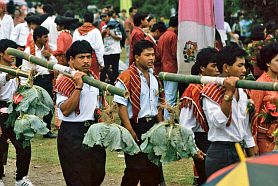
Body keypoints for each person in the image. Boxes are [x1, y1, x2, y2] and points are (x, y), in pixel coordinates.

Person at [55, 40, 106, 186]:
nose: (86, 61)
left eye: (89, 57)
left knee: (97, 174)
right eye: (81, 57)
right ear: (71, 60)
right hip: (72, 134)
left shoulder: (94, 78)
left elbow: (99, 105)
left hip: (93, 131)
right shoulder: (64, 80)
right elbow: (65, 110)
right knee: (78, 179)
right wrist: (78, 87)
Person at [114, 40, 163, 185]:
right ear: (136, 57)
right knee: (134, 168)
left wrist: (160, 126)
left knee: (153, 169)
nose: (151, 58)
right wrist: (129, 129)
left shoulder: (154, 77)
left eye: (153, 55)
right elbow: (121, 105)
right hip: (135, 126)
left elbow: (158, 103)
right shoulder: (126, 77)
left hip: (152, 126)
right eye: (147, 55)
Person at [201, 45, 256, 178]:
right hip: (220, 152)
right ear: (226, 67)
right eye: (240, 65)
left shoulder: (243, 91)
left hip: (239, 150)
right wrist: (229, 92)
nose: (244, 70)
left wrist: (252, 153)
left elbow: (244, 126)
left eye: (244, 65)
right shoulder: (210, 91)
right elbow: (219, 122)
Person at [179, 47, 219, 185]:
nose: (217, 69)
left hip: (217, 140)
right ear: (202, 68)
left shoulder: (217, 87)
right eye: (213, 66)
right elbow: (185, 126)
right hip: (203, 141)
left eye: (218, 65)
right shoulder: (193, 90)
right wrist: (194, 149)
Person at [0, 39, 33, 186]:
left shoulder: (18, 69)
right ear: (1, 53)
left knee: (24, 144)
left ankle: (21, 179)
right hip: (0, 111)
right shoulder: (5, 71)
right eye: (10, 52)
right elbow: (4, 78)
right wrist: (8, 75)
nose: (13, 55)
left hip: (15, 111)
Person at [22, 26, 58, 138]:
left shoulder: (47, 49)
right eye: (45, 36)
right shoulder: (29, 51)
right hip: (35, 80)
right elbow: (26, 68)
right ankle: (32, 129)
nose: (47, 39)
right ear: (38, 38)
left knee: (49, 105)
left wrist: (49, 56)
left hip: (47, 79)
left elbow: (55, 63)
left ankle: (46, 130)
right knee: (34, 106)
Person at [250, 42, 278, 154]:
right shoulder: (260, 84)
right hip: (265, 139)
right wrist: (253, 143)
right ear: (268, 63)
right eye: (277, 60)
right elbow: (253, 115)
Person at [157, 16, 178, 120]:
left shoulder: (163, 36)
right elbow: (175, 53)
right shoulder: (173, 36)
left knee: (167, 95)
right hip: (172, 69)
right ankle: (168, 120)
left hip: (163, 68)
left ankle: (167, 119)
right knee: (171, 97)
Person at [73, 12, 105, 78]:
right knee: (93, 79)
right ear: (93, 20)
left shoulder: (76, 31)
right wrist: (101, 63)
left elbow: (73, 47)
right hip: (91, 58)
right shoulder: (96, 31)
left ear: (84, 19)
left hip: (78, 59)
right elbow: (99, 49)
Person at [100, 11, 122, 84]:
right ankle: (101, 85)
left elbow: (119, 37)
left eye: (105, 16)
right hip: (106, 51)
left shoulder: (116, 26)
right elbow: (101, 38)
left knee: (115, 69)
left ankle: (114, 85)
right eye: (102, 17)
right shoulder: (103, 27)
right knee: (104, 69)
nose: (103, 18)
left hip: (115, 51)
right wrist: (103, 33)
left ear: (109, 17)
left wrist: (111, 34)